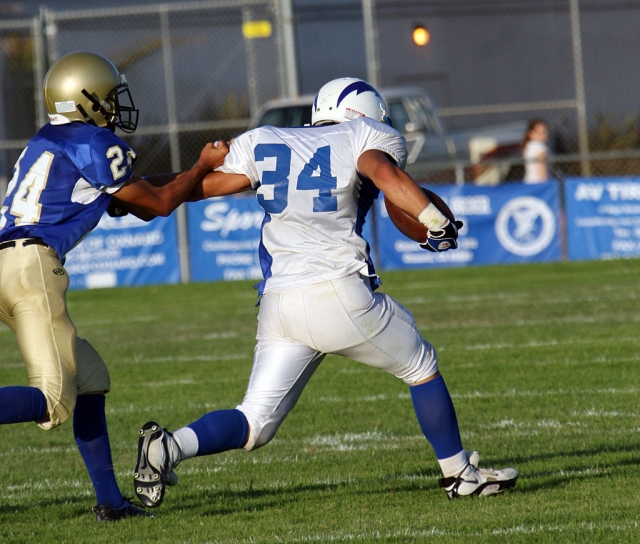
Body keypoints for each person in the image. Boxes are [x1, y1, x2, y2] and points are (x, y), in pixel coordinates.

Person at [133, 77, 519, 508]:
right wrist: (434, 220)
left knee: (255, 421)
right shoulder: (366, 134)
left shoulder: (265, 139)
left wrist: (135, 191)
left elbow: (197, 188)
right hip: (337, 291)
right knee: (420, 364)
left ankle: (168, 447)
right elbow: (383, 171)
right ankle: (459, 474)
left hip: (279, 303)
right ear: (365, 112)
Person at [0, 51, 226, 521]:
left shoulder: (49, 138)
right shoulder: (91, 141)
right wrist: (202, 166)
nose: (113, 106)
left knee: (91, 379)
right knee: (52, 398)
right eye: (107, 96)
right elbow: (160, 204)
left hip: (9, 262)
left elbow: (139, 200)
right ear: (85, 98)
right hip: (31, 268)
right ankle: (110, 501)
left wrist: (201, 179)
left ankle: (111, 503)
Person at [522, 119, 550, 183]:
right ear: (531, 134)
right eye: (539, 133)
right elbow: (542, 169)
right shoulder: (540, 147)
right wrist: (545, 184)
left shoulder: (529, 146)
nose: (542, 135)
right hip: (538, 183)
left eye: (544, 132)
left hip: (528, 182)